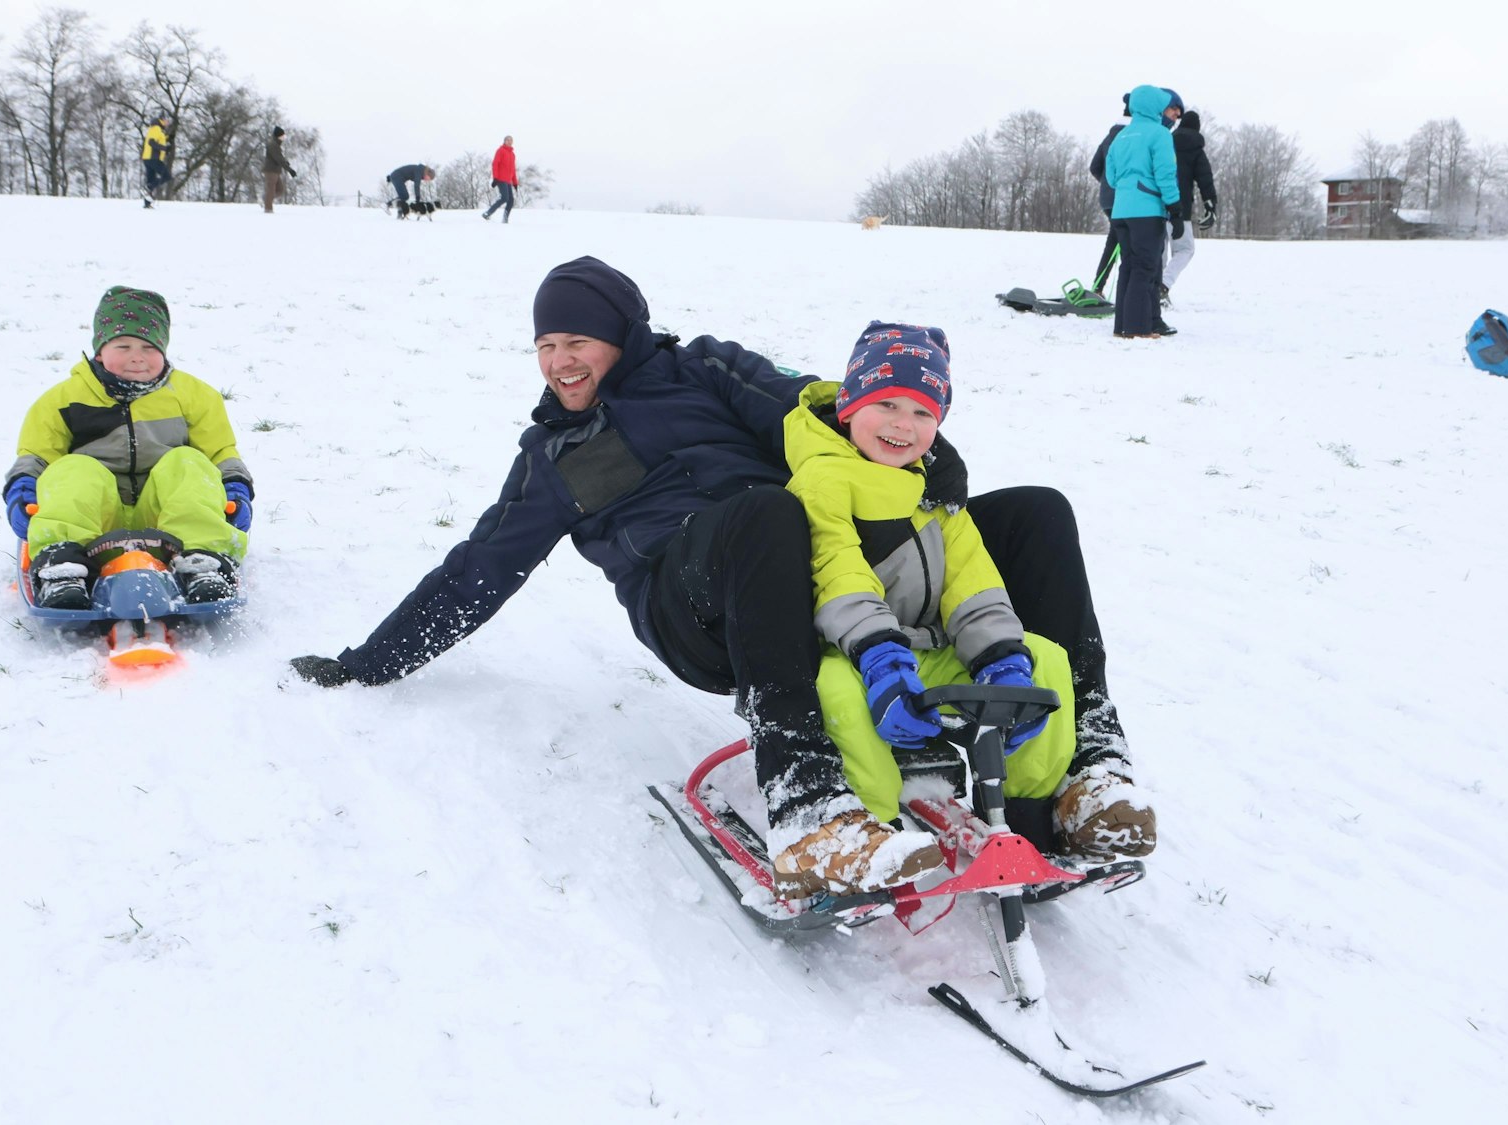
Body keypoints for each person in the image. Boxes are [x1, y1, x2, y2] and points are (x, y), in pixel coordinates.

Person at [289, 258, 1154, 892]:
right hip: (697, 608)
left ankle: (1088, 771)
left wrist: (926, 450)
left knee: (1036, 511)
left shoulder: (702, 366)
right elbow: (473, 573)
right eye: (545, 344)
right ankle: (810, 804)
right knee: (765, 513)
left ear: (620, 336)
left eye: (576, 339)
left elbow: (819, 406)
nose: (559, 360)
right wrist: (369, 662)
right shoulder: (554, 458)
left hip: (830, 560)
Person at [780, 322, 1094, 896]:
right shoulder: (824, 477)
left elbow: (973, 581)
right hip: (854, 654)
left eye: (923, 413)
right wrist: (878, 656)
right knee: (838, 696)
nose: (904, 424)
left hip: (927, 653)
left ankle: (1030, 819)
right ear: (848, 406)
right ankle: (867, 834)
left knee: (1045, 662)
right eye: (887, 404)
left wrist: (1002, 657)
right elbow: (837, 568)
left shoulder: (935, 488)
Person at [3, 286, 254, 609]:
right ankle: (62, 567)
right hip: (93, 519)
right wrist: (22, 490)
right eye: (123, 345)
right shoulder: (60, 401)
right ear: (99, 351)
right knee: (72, 468)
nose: (137, 356)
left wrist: (235, 488)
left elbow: (220, 453)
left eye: (149, 347)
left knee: (188, 461)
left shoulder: (195, 396)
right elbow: (36, 457)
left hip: (167, 515)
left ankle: (203, 562)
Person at [1104, 86, 1183, 338]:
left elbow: (1111, 176)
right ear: (1153, 108)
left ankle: (1123, 326)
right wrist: (1175, 207)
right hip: (1147, 211)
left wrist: (1130, 189)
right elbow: (1165, 173)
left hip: (1121, 211)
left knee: (1128, 266)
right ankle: (1138, 328)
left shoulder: (1122, 136)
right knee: (1145, 268)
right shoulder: (1159, 134)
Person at [1161, 110, 1218, 304]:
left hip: (1157, 206)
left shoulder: (1166, 142)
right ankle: (1163, 285)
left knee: (1158, 251)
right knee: (1185, 250)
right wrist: (1210, 205)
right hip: (1180, 208)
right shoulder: (1196, 149)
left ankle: (1154, 289)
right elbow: (1205, 179)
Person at [1087, 97, 1131, 296]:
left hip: (1107, 200)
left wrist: (1107, 183)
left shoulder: (1109, 136)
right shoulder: (1132, 136)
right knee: (1124, 244)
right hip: (1127, 199)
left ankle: (1099, 286)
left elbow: (1094, 167)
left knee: (1115, 241)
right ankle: (1114, 289)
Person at [262, 126, 297, 214]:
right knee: (271, 190)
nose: (284, 137)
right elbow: (278, 159)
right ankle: (268, 210)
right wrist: (289, 170)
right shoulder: (273, 145)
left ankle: (265, 198)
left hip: (276, 171)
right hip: (271, 170)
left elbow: (280, 157)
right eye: (282, 135)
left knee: (280, 190)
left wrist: (286, 162)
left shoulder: (276, 145)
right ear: (278, 135)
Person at [141, 116, 174, 209]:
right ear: (162, 120)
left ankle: (147, 204)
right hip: (153, 158)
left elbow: (159, 140)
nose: (168, 123)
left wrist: (168, 138)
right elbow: (151, 142)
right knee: (166, 176)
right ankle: (148, 188)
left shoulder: (155, 129)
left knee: (150, 180)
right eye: (167, 121)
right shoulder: (156, 128)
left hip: (147, 158)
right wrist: (165, 148)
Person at [483, 136, 518, 223]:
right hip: (501, 179)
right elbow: (495, 164)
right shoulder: (500, 151)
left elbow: (513, 169)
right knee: (505, 198)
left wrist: (515, 182)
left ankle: (505, 218)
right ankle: (488, 213)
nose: (510, 142)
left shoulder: (512, 155)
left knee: (511, 200)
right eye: (508, 140)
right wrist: (495, 178)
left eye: (511, 140)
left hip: (508, 181)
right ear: (504, 141)